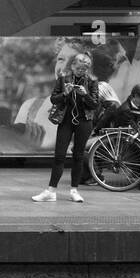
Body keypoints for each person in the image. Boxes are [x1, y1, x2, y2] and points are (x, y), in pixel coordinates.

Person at [32, 53, 99, 203]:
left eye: (85, 69)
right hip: (66, 121)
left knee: (78, 156)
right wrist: (65, 93)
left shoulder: (92, 81)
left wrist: (85, 94)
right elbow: (53, 99)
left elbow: (94, 104)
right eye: (79, 68)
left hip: (84, 121)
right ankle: (51, 191)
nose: (81, 71)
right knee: (59, 155)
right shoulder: (63, 78)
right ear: (73, 66)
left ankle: (74, 190)